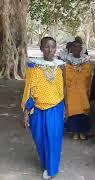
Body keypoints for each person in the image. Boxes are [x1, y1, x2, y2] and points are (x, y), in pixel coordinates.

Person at [21, 37, 65, 179]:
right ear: (41, 48)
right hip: (38, 110)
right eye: (46, 46)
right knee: (40, 139)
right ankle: (45, 164)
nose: (50, 50)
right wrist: (26, 113)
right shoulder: (34, 67)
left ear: (56, 48)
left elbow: (64, 89)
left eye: (52, 47)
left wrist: (67, 108)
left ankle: (51, 169)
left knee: (53, 139)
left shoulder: (61, 66)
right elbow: (29, 89)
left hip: (56, 108)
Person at [60, 40, 92, 140]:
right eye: (74, 47)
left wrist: (81, 69)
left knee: (83, 110)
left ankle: (82, 131)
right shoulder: (66, 60)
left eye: (79, 47)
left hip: (82, 90)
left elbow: (88, 75)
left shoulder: (85, 60)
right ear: (71, 48)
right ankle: (74, 132)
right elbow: (64, 75)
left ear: (81, 49)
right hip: (71, 91)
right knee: (73, 111)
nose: (76, 49)